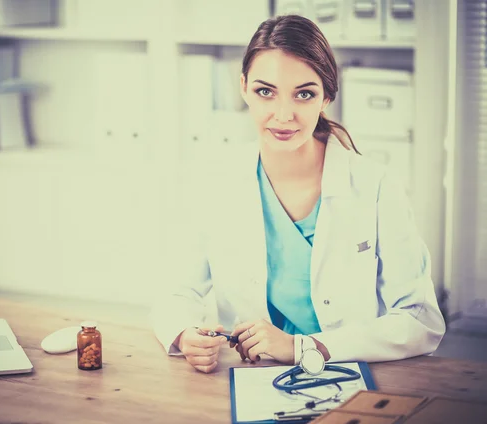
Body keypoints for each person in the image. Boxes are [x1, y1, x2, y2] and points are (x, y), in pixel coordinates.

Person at [150, 14, 445, 374]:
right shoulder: (212, 179)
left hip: (351, 373)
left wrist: (305, 347)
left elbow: (421, 320)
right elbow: (176, 292)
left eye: (304, 94)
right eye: (265, 91)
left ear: (326, 97)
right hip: (248, 377)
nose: (283, 114)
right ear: (243, 87)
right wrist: (184, 333)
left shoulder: (376, 185)